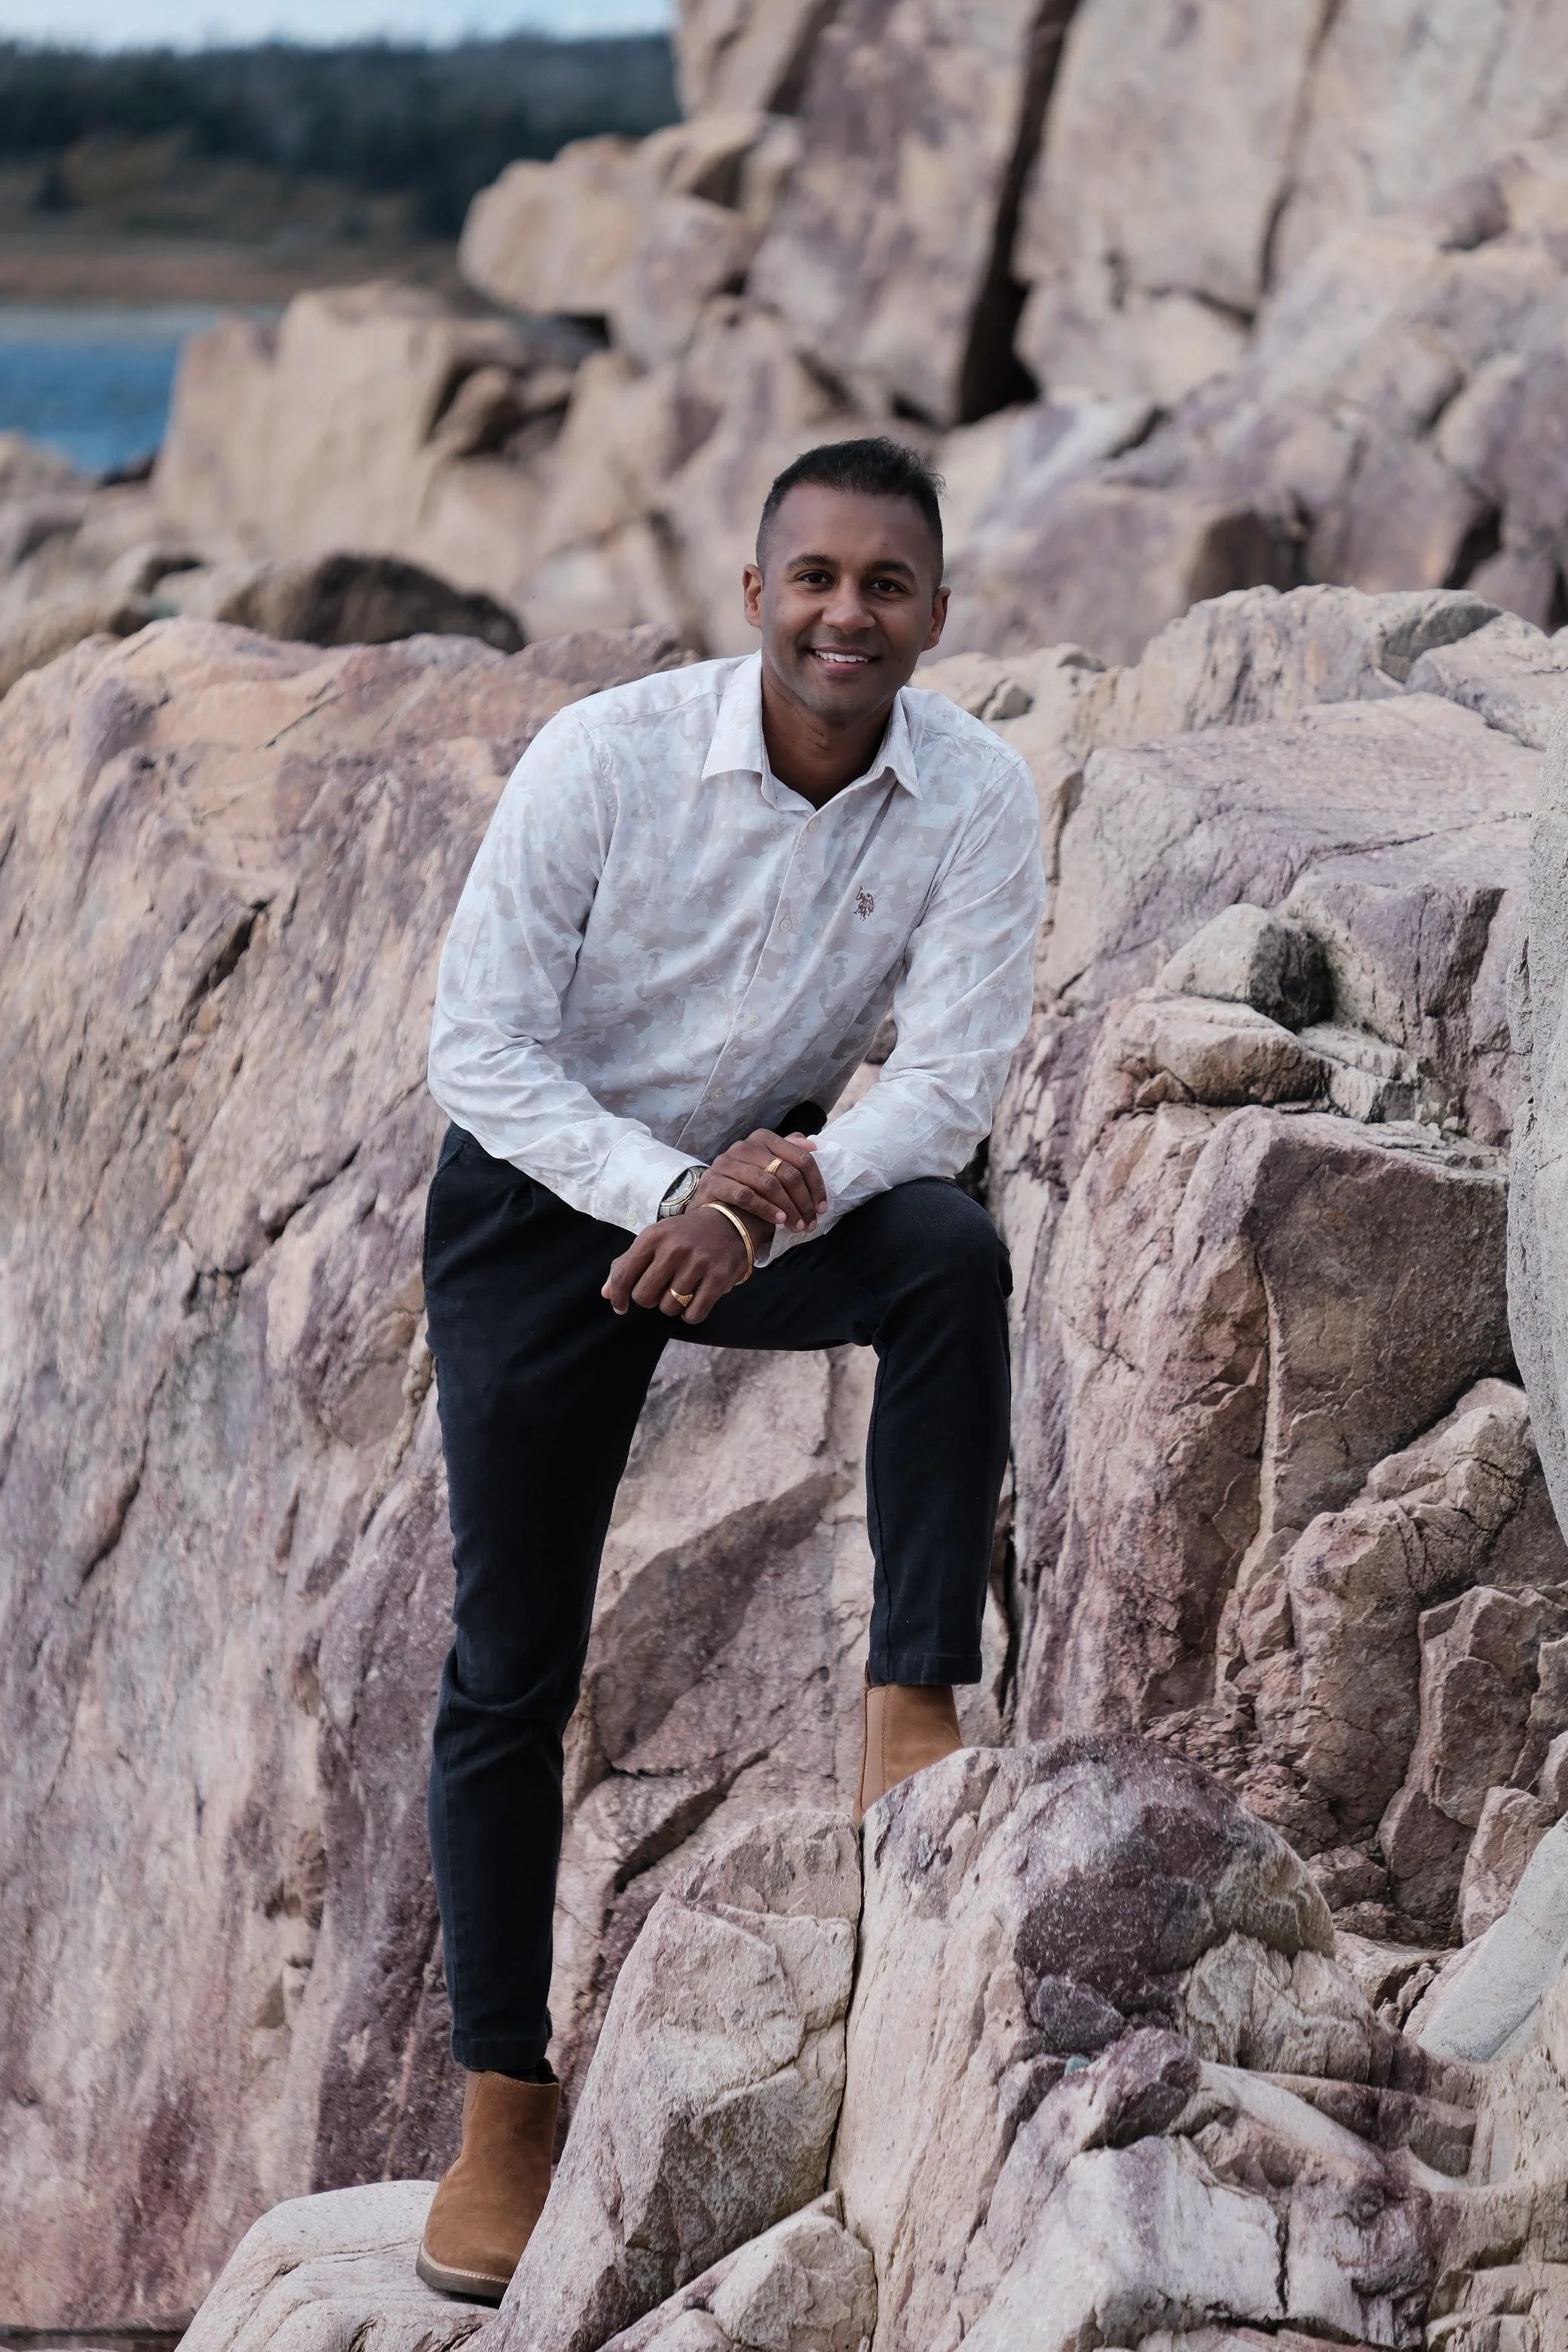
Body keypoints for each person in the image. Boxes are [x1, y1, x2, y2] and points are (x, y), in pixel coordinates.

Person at [415, 436, 1044, 2302]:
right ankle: (499, 2108)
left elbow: (948, 1087)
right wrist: (673, 1191)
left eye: (887, 584)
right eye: (816, 577)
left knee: (944, 1256)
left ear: (936, 612)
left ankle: (907, 1702)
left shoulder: (976, 797)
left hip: (764, 1196)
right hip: (542, 1208)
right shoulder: (602, 759)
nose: (847, 612)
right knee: (506, 1663)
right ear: (753, 591)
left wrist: (771, 1205)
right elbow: (482, 1050)